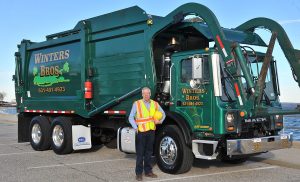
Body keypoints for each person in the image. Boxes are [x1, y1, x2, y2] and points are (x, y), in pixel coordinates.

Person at [129, 87, 165, 181]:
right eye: (144, 93)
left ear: (150, 94)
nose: (146, 95)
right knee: (140, 153)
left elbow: (163, 114)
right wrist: (135, 128)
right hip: (141, 131)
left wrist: (160, 121)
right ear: (142, 94)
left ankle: (148, 171)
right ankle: (139, 173)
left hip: (151, 131)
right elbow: (131, 117)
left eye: (148, 93)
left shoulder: (155, 104)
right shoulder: (137, 104)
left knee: (149, 152)